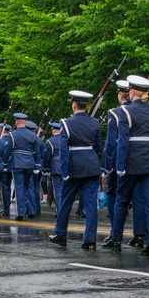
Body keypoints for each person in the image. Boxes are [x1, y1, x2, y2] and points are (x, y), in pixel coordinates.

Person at [104, 75, 149, 255]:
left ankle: (116, 238)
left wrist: (120, 166)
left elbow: (123, 141)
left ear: (131, 92)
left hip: (131, 162)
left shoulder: (125, 112)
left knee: (122, 200)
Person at [48, 90, 102, 250]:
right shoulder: (95, 122)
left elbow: (64, 150)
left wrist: (64, 171)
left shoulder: (66, 123)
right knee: (90, 204)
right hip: (91, 165)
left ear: (73, 105)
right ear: (86, 106)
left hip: (73, 167)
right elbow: (98, 146)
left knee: (65, 202)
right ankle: (90, 239)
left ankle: (61, 234)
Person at [102, 80, 131, 229]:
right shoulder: (140, 110)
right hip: (135, 159)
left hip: (116, 159)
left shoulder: (114, 112)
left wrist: (106, 166)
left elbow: (111, 142)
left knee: (113, 193)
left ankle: (115, 229)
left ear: (120, 96)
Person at [3, 113, 40, 221]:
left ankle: (21, 213)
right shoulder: (33, 135)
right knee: (26, 187)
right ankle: (28, 210)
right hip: (29, 163)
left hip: (17, 163)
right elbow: (37, 151)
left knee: (19, 187)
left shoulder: (13, 135)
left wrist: (5, 164)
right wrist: (37, 165)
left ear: (16, 122)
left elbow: (7, 150)